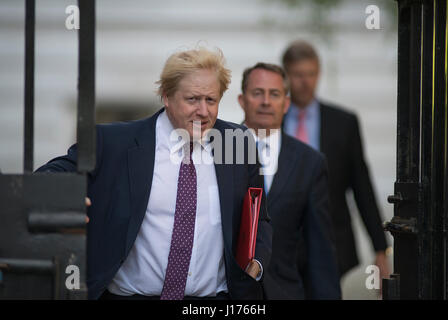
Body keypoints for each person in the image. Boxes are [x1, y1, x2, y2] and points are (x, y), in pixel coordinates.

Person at [36, 47, 272, 300]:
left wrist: (256, 263)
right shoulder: (114, 143)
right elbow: (48, 176)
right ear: (166, 96)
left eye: (211, 100)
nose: (203, 111)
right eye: (192, 99)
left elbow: (260, 218)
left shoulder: (236, 143)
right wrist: (65, 201)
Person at [282, 40, 390, 280]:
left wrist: (380, 248)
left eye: (311, 74)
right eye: (298, 74)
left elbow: (362, 186)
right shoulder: (269, 123)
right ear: (286, 75)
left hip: (333, 246)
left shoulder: (343, 123)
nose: (305, 81)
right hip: (282, 252)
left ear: (319, 73)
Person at [238, 62, 340, 299]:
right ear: (242, 100)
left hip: (285, 292)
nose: (265, 101)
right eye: (257, 93)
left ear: (286, 103)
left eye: (274, 94)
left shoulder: (310, 162)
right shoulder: (217, 152)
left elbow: (320, 248)